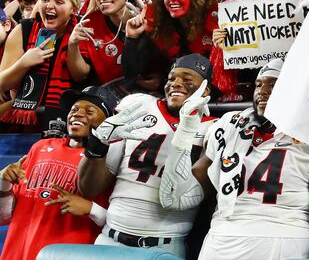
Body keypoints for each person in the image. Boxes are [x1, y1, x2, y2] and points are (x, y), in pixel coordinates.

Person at [157, 59, 309, 260]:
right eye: (258, 85)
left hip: (282, 236)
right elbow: (176, 198)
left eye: (273, 85)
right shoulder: (228, 126)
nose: (262, 91)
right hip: (221, 236)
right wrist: (186, 130)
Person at [77, 54, 217, 258]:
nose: (176, 84)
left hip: (164, 246)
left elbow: (187, 198)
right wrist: (97, 146)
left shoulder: (213, 128)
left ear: (205, 90)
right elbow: (89, 188)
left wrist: (188, 126)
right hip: (109, 238)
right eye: (171, 78)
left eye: (187, 80)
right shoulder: (140, 106)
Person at [0, 86, 117, 260]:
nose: (77, 114)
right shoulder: (40, 147)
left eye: (89, 111)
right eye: (74, 110)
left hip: (67, 253)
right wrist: (4, 183)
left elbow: (123, 224)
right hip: (16, 252)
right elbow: (6, 215)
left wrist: (91, 208)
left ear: (107, 121)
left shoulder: (111, 157)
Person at [0, 0, 80, 130]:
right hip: (23, 119)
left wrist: (74, 46)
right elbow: (2, 83)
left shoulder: (80, 32)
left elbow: (80, 76)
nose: (49, 5)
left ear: (73, 9)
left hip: (68, 119)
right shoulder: (24, 30)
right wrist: (24, 63)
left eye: (59, 1)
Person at [67, 0, 143, 85]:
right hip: (107, 98)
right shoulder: (90, 23)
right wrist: (72, 45)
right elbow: (79, 75)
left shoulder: (146, 21)